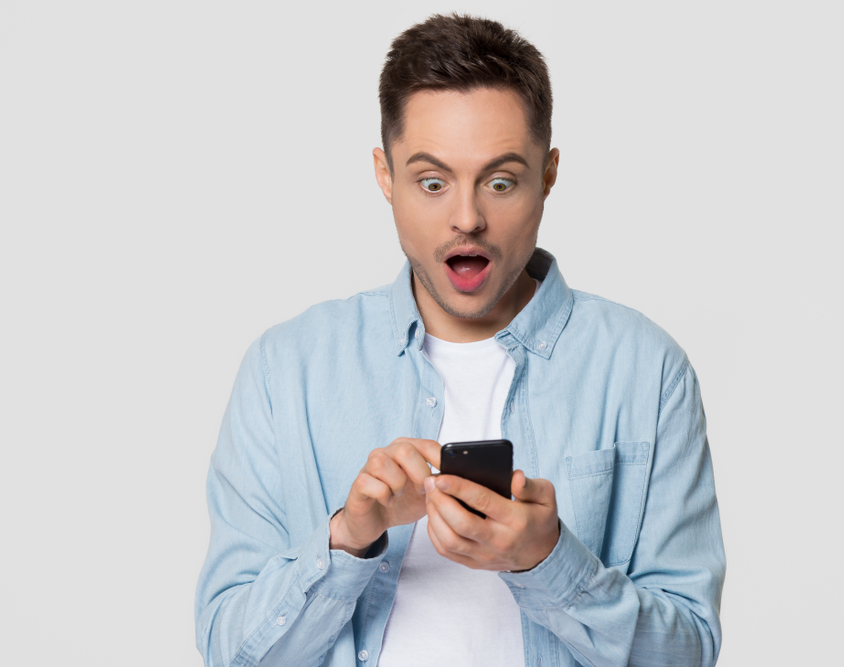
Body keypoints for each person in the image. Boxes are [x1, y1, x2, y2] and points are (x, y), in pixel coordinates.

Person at [195, 13, 725, 667]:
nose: (468, 216)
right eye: (432, 182)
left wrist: (550, 561)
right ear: (385, 176)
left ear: (548, 174)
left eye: (501, 181)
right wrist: (347, 540)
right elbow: (231, 652)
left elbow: (689, 651)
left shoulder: (647, 370)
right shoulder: (286, 371)